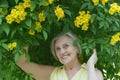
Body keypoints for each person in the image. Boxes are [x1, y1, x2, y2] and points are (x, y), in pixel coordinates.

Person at [16, 31, 103, 80]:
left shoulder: (93, 73)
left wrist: (90, 64)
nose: (62, 51)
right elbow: (22, 63)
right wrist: (26, 34)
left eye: (66, 46)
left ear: (77, 48)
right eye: (58, 49)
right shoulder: (52, 73)